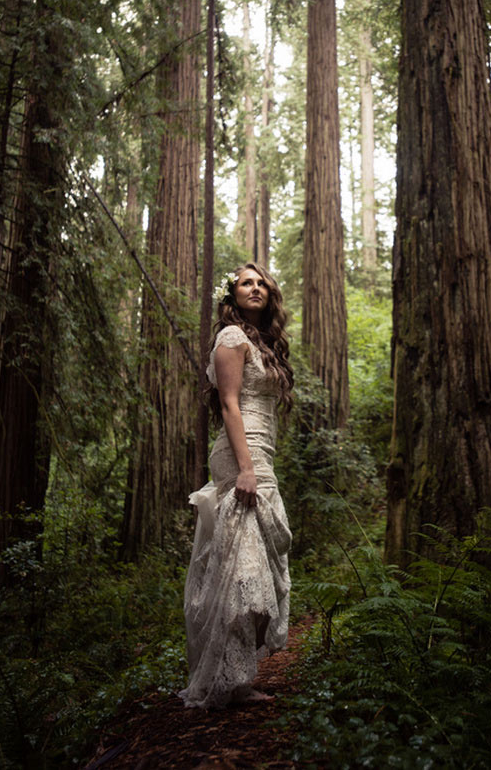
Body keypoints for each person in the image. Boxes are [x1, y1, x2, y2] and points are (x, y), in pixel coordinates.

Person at [179, 262, 294, 708]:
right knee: (244, 568)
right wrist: (246, 469)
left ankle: (237, 671)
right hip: (240, 456)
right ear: (232, 294)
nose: (256, 287)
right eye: (246, 282)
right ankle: (233, 680)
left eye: (262, 282)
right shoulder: (230, 338)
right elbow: (229, 405)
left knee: (264, 554)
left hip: (262, 454)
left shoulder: (264, 344)